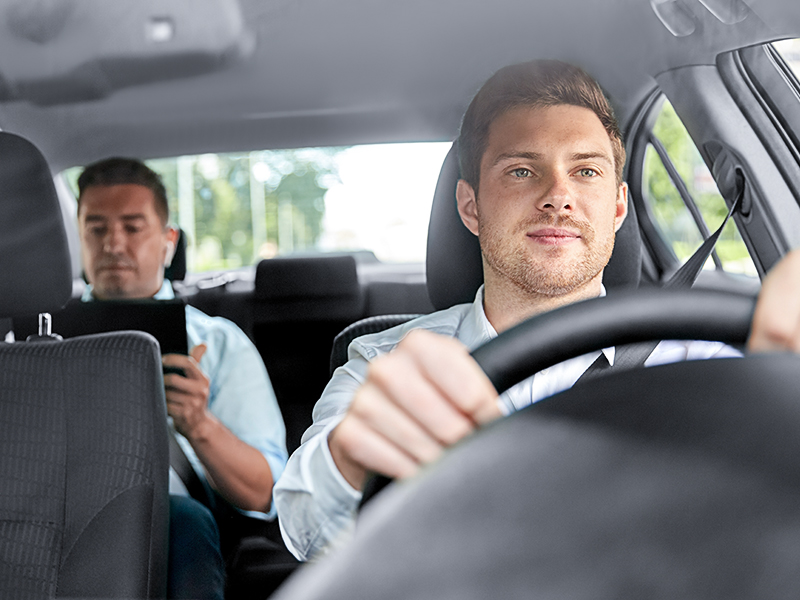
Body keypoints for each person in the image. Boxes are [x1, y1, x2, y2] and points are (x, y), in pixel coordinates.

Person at [272, 59, 786, 562]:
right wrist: (353, 456)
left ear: (617, 207)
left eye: (586, 171)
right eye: (521, 171)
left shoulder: (702, 359)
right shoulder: (387, 364)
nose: (558, 196)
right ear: (471, 207)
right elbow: (304, 530)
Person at [76, 157, 288, 599]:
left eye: (133, 227)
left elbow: (266, 494)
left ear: (168, 242)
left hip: (175, 523)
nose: (113, 243)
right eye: (96, 228)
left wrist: (198, 424)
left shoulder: (218, 344)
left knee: (179, 518)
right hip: (58, 511)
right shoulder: (36, 345)